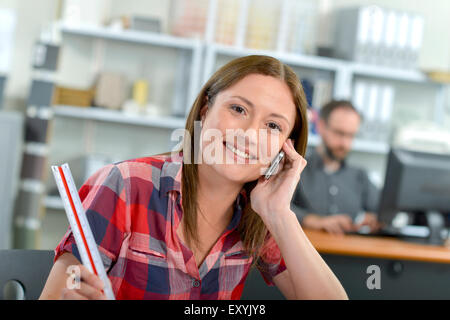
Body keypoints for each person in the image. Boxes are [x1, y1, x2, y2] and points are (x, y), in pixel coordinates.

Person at [39, 56, 348, 300]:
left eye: (272, 126)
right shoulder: (126, 184)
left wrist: (281, 214)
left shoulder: (261, 216)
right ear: (205, 111)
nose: (249, 134)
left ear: (286, 148)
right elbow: (61, 292)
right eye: (238, 109)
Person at [291, 100, 381, 235]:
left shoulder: (360, 175)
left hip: (347, 252)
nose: (345, 143)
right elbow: (276, 207)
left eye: (351, 135)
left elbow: (383, 209)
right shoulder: (297, 168)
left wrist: (375, 219)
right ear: (321, 126)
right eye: (339, 133)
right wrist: (313, 221)